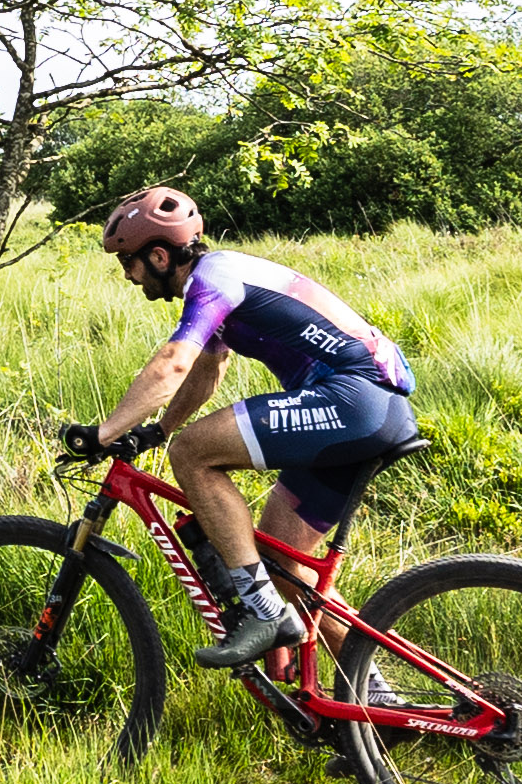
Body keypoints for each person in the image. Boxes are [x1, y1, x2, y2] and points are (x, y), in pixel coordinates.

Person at [70, 187, 418, 667]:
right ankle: (380, 703)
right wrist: (160, 429)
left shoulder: (213, 281)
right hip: (366, 410)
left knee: (193, 454)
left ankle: (264, 613)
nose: (128, 276)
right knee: (284, 571)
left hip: (353, 399)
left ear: (157, 255)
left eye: (127, 262)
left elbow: (174, 365)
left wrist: (103, 433)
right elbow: (206, 372)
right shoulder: (223, 276)